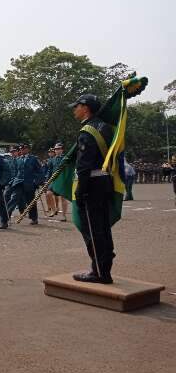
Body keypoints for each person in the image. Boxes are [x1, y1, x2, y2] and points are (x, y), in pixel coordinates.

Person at [68, 94, 115, 284]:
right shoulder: (105, 127)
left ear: (85, 108)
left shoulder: (87, 131)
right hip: (104, 183)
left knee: (93, 230)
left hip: (91, 185)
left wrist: (80, 190)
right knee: (103, 228)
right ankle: (105, 268)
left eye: (77, 106)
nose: (74, 110)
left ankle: (99, 272)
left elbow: (84, 165)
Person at [6, 143, 43, 225]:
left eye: (24, 149)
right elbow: (15, 172)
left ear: (28, 149)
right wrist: (13, 181)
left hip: (29, 183)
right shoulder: (18, 159)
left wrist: (36, 182)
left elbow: (40, 172)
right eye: (21, 149)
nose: (22, 150)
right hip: (19, 183)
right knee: (14, 199)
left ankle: (34, 218)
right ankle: (6, 217)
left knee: (31, 201)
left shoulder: (33, 159)